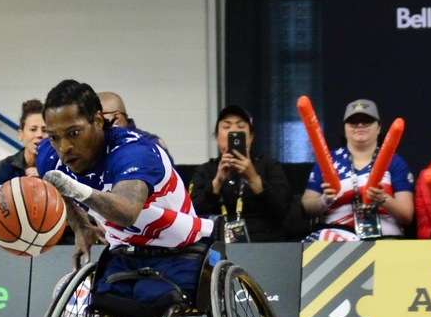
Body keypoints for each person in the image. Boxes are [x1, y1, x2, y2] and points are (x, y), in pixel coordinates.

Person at [38, 79, 213, 303]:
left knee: (148, 296)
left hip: (179, 247)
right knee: (99, 300)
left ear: (98, 121)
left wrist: (75, 189)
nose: (64, 147)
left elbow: (127, 211)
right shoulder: (49, 155)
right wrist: (80, 225)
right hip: (126, 252)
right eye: (54, 137)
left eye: (74, 133)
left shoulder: (135, 152)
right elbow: (59, 187)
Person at [301, 99, 415, 240]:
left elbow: (407, 216)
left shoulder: (395, 162)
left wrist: (383, 198)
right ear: (344, 129)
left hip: (386, 240)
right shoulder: (327, 160)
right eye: (353, 122)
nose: (360, 125)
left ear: (379, 128)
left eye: (367, 121)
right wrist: (325, 199)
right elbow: (306, 208)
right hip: (335, 240)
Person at [189, 105, 292, 242]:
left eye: (241, 127)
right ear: (217, 137)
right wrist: (217, 183)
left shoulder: (269, 166)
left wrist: (253, 178)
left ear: (250, 137)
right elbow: (191, 215)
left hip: (264, 245)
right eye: (226, 127)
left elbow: (283, 210)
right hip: (216, 245)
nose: (234, 131)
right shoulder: (205, 171)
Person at [0, 99, 46, 196]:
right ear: (20, 134)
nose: (39, 134)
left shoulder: (62, 168)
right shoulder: (5, 167)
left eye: (45, 130)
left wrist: (45, 175)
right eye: (33, 129)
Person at [97, 91, 168, 152]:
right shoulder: (102, 142)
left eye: (100, 115)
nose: (96, 121)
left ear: (116, 117)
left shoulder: (148, 142)